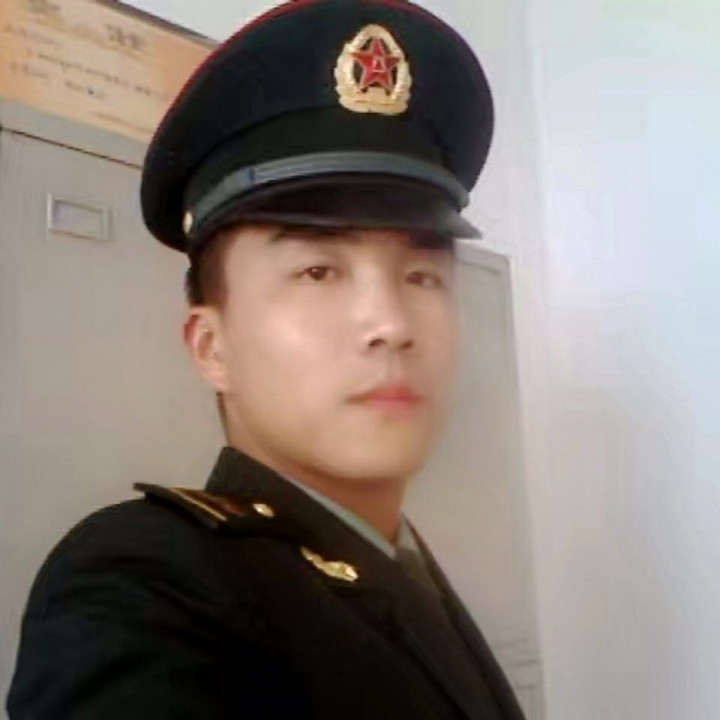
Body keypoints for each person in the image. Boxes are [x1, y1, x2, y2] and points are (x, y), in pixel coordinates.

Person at [7, 0, 526, 718]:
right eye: (318, 271)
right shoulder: (141, 581)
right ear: (211, 346)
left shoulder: (400, 562)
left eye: (421, 275)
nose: (390, 324)